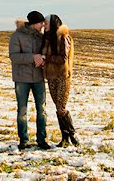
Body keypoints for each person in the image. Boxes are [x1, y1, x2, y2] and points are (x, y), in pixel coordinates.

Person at [8, 10, 51, 150]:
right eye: (41, 23)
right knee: (22, 110)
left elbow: (45, 53)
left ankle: (42, 140)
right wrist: (33, 57)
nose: (43, 26)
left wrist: (43, 59)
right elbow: (14, 56)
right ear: (34, 24)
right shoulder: (17, 36)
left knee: (42, 110)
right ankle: (24, 140)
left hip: (38, 78)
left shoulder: (42, 37)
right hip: (21, 79)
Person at [42, 13, 79, 147]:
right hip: (51, 77)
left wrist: (47, 58)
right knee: (58, 109)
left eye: (46, 24)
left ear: (52, 24)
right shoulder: (47, 38)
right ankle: (65, 139)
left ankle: (72, 135)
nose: (44, 26)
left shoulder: (64, 37)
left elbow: (63, 58)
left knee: (61, 107)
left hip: (63, 77)